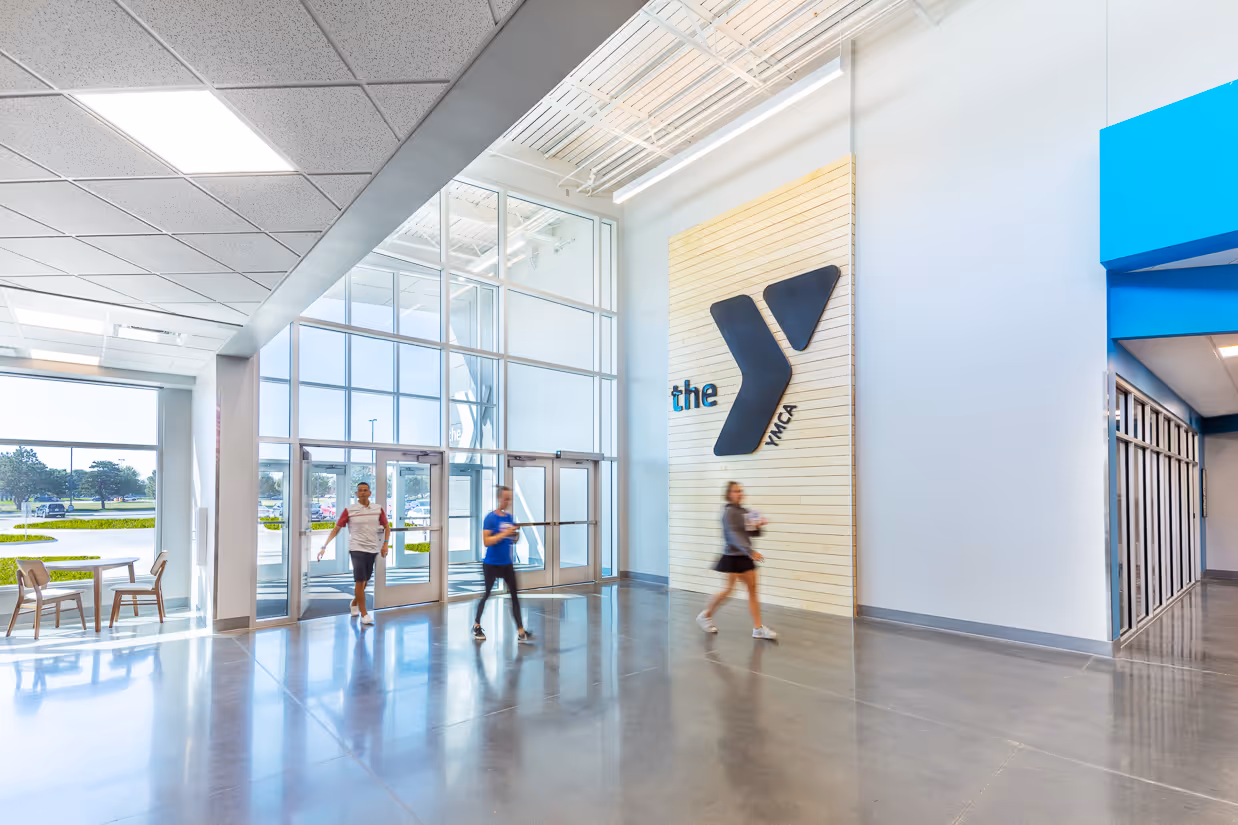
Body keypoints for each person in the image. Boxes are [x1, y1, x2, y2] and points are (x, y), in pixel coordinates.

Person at [697, 481, 777, 640]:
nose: (739, 494)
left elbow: (753, 534)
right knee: (728, 590)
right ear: (728, 494)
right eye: (735, 491)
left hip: (745, 556)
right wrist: (749, 551)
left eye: (740, 491)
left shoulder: (746, 511)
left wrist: (759, 525)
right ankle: (705, 615)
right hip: (733, 557)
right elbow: (733, 535)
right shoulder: (728, 512)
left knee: (752, 591)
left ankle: (758, 628)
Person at [318, 481, 389, 626]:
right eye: (360, 490)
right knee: (360, 580)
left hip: (372, 549)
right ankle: (364, 614)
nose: (362, 492)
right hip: (356, 548)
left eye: (365, 490)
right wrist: (324, 546)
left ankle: (354, 602)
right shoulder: (349, 510)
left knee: (366, 580)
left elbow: (387, 527)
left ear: (370, 493)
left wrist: (385, 544)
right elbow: (336, 528)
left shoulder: (378, 509)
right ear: (357, 494)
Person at [473, 485, 533, 644]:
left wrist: (515, 535)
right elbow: (487, 541)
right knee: (486, 594)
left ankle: (521, 631)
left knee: (514, 596)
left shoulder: (509, 518)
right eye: (505, 499)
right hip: (491, 564)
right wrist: (505, 533)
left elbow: (512, 540)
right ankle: (476, 624)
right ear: (499, 498)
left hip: (507, 564)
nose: (507, 502)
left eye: (509, 499)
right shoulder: (490, 518)